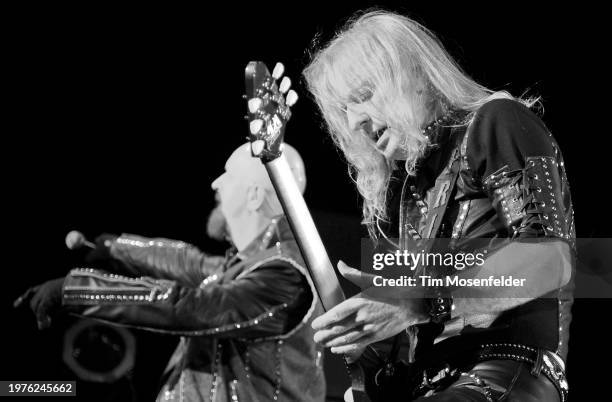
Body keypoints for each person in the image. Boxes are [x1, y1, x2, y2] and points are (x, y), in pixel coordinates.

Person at [299, 10, 573, 401]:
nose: (356, 120)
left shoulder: (495, 121)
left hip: (504, 374)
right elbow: (415, 341)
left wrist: (414, 299)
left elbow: (551, 260)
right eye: (345, 111)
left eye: (363, 95)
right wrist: (369, 348)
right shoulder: (409, 193)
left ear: (414, 75)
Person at [15, 143, 326, 402]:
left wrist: (73, 289)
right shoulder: (248, 267)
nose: (215, 183)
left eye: (228, 175)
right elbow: (186, 262)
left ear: (254, 195)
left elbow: (187, 306)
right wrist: (114, 247)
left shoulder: (284, 278)